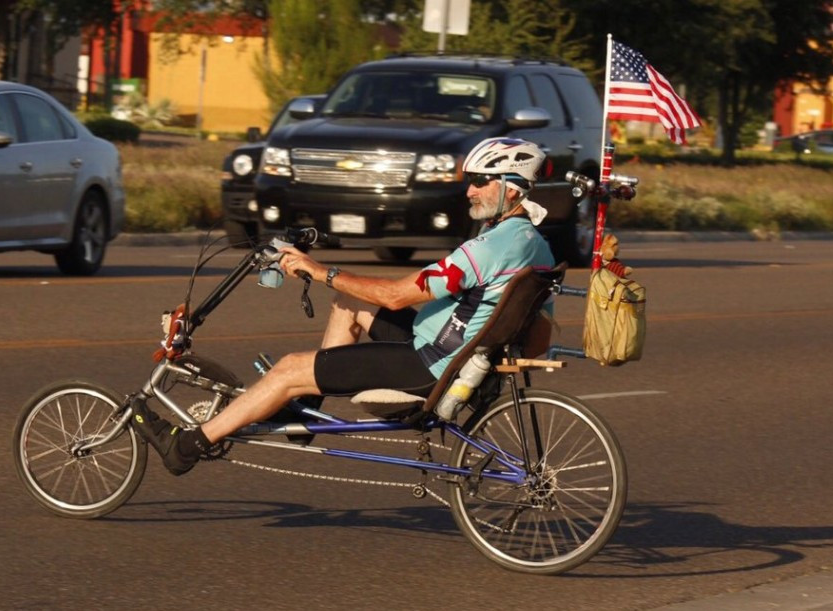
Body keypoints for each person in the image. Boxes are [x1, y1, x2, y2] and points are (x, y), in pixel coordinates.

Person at [130, 137, 556, 475]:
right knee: (350, 299)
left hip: (429, 365)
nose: (470, 190)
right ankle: (306, 407)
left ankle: (186, 445)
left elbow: (396, 295)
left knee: (290, 367)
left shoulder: (490, 247)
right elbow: (539, 341)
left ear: (511, 188)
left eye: (481, 180)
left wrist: (320, 272)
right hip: (452, 352)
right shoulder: (535, 246)